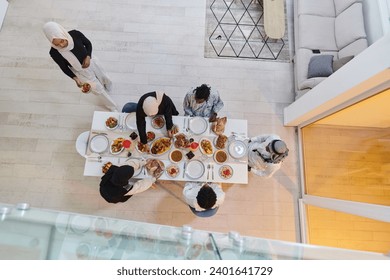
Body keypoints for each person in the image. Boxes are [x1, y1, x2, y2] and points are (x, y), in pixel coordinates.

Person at [42, 21, 118, 112]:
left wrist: (88, 56)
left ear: (62, 33)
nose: (61, 45)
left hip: (91, 61)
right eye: (57, 44)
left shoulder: (75, 34)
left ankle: (107, 84)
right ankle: (112, 106)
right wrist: (75, 78)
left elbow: (88, 44)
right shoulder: (54, 52)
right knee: (97, 90)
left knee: (103, 76)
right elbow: (64, 68)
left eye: (62, 40)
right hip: (80, 72)